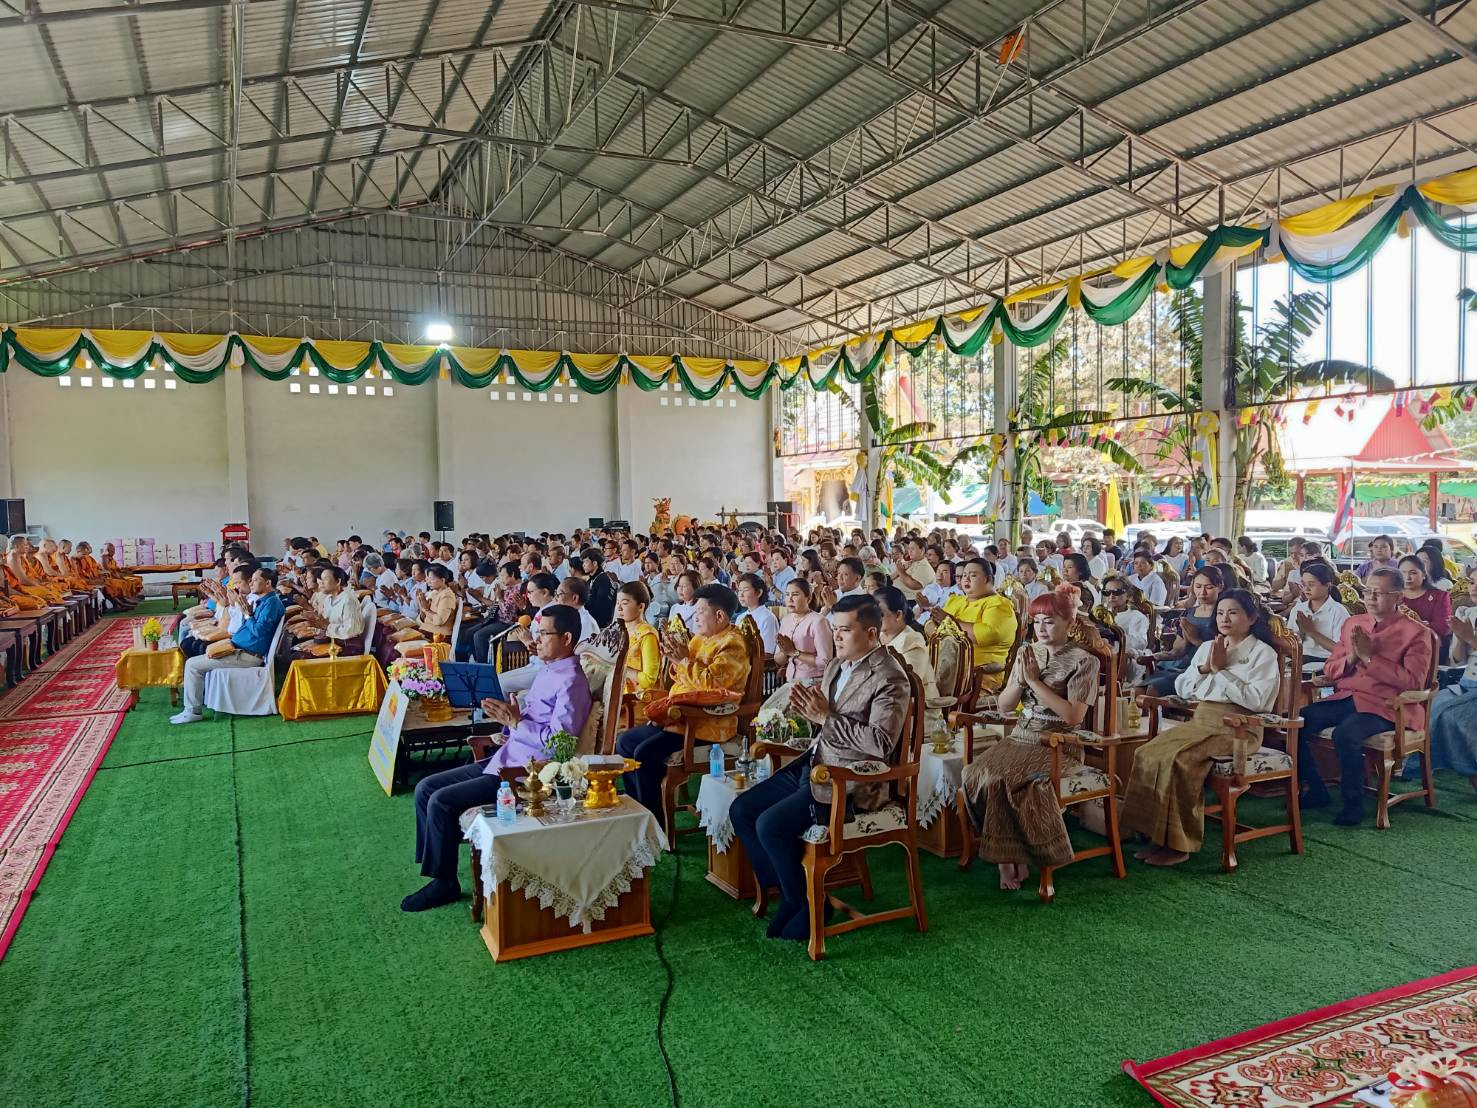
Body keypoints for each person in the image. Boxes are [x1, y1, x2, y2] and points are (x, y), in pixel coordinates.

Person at [730, 594, 911, 942]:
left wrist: (826, 718)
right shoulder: (836, 666)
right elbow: (820, 720)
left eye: (846, 630)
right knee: (743, 810)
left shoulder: (890, 677)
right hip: (816, 763)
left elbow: (880, 744)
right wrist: (798, 716)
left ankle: (805, 903)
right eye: (835, 629)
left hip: (853, 781)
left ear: (871, 633)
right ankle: (795, 895)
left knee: (771, 825)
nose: (837, 637)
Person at [403, 605, 592, 912]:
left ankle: (444, 883)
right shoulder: (549, 670)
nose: (536, 640)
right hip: (507, 754)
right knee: (425, 787)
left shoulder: (571, 680)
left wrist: (518, 724)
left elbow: (562, 746)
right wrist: (508, 725)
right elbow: (531, 720)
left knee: (441, 801)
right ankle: (438, 868)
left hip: (524, 774)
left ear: (567, 638)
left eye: (544, 634)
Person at [1122, 590, 1281, 866]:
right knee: (1146, 753)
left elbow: (1258, 701)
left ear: (1252, 618)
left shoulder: (1263, 653)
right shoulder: (1209, 647)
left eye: (1233, 613)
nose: (1224, 619)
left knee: (1180, 760)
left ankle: (1178, 845)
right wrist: (1206, 669)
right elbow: (1184, 688)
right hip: (1202, 721)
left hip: (1239, 728)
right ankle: (1152, 835)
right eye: (1220, 613)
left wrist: (1222, 671)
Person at [962, 587, 1100, 888]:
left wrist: (1035, 682)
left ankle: (1013, 857)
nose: (1041, 628)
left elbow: (1073, 717)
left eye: (1049, 621)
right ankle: (1007, 854)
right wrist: (1021, 680)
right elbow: (1005, 705)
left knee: (1009, 781)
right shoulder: (1028, 652)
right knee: (974, 773)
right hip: (1022, 735)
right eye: (1037, 621)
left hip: (1060, 744)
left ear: (1068, 622)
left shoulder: (1085, 661)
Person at [1297, 568, 1433, 826]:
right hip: (1349, 695)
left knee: (1345, 734)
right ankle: (1316, 789)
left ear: (1398, 597)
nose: (1370, 598)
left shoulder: (1416, 633)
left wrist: (1370, 657)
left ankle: (1353, 803)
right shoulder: (1354, 623)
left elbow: (1414, 681)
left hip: (1388, 705)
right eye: (1367, 591)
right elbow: (1330, 668)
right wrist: (1351, 657)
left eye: (1379, 593)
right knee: (1300, 721)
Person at [615, 583, 750, 819]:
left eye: (700, 612)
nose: (695, 618)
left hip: (706, 724)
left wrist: (684, 662)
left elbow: (714, 686)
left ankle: (655, 821)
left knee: (645, 753)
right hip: (679, 715)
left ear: (719, 615)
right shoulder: (700, 639)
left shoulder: (732, 645)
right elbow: (681, 677)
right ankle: (638, 814)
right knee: (625, 743)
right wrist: (675, 659)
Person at [170, 568, 286, 725]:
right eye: (251, 579)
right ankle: (193, 706)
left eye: (255, 579)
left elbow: (259, 631)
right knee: (196, 654)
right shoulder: (263, 601)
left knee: (192, 665)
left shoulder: (271, 604)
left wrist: (247, 614)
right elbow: (250, 625)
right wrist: (243, 610)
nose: (251, 582)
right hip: (239, 649)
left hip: (246, 655)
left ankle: (192, 711)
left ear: (268, 583)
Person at [918, 557, 1017, 695]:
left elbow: (988, 633)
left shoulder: (999, 605)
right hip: (940, 669)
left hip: (976, 676)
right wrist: (939, 624)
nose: (966, 579)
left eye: (973, 575)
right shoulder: (956, 601)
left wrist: (949, 621)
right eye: (964, 575)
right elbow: (931, 625)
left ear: (987, 579)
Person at [1422, 571, 1477, 795]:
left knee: (1454, 715)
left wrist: (1470, 637)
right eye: (1473, 582)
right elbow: (1456, 660)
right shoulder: (1467, 613)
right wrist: (1461, 637)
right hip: (1466, 682)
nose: (1473, 587)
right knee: (1432, 708)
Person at [1142, 566, 1224, 694]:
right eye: (1198, 586)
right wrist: (1156, 655)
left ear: (1220, 587)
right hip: (1182, 665)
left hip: (1203, 669)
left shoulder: (1222, 615)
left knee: (1153, 690)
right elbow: (1177, 651)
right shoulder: (1189, 613)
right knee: (1138, 690)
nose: (1202, 592)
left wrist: (1196, 640)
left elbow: (1224, 652)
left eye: (1208, 587)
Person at [874, 586, 938, 701]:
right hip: (885, 701)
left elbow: (905, 686)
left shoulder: (912, 641)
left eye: (880, 613)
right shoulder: (878, 637)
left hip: (917, 710)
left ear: (898, 615)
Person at [612, 581, 662, 723]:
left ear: (641, 607)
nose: (619, 608)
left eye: (625, 603)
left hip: (637, 702)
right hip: (618, 696)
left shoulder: (647, 636)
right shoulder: (620, 631)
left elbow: (648, 680)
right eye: (617, 603)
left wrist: (622, 669)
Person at [1288, 562, 1350, 672]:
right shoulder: (1298, 609)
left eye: (1311, 584)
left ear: (1327, 585)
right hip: (1301, 658)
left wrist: (1312, 632)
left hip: (1326, 662)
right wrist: (1301, 633)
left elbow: (1342, 651)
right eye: (1303, 584)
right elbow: (1290, 645)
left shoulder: (1338, 612)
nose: (1306, 589)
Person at [775, 578, 833, 685]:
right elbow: (778, 660)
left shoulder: (818, 621)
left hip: (813, 682)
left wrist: (794, 652)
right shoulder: (786, 620)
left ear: (808, 598)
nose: (790, 599)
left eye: (795, 594)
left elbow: (826, 662)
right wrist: (785, 651)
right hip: (790, 680)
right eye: (787, 594)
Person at [1398, 554, 1452, 659]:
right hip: (1397, 644)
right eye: (1403, 573)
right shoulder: (1393, 595)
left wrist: (1420, 623)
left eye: (1413, 573)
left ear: (1423, 575)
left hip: (1431, 646)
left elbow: (1444, 627)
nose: (1407, 577)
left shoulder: (1439, 596)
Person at [1101, 575, 1150, 685]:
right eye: (1107, 592)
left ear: (1128, 595)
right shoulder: (1100, 614)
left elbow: (1141, 643)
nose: (1111, 596)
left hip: (1124, 657)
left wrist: (1116, 636)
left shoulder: (1136, 617)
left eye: (1117, 592)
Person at [734, 573, 780, 656]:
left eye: (746, 590)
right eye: (740, 590)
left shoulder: (767, 618)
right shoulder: (740, 617)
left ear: (759, 592)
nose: (741, 595)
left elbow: (767, 653)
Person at [581, 549, 618, 627]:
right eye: (583, 562)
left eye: (586, 562)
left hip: (600, 626)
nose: (583, 565)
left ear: (594, 563)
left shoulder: (603, 581)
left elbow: (602, 609)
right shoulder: (592, 579)